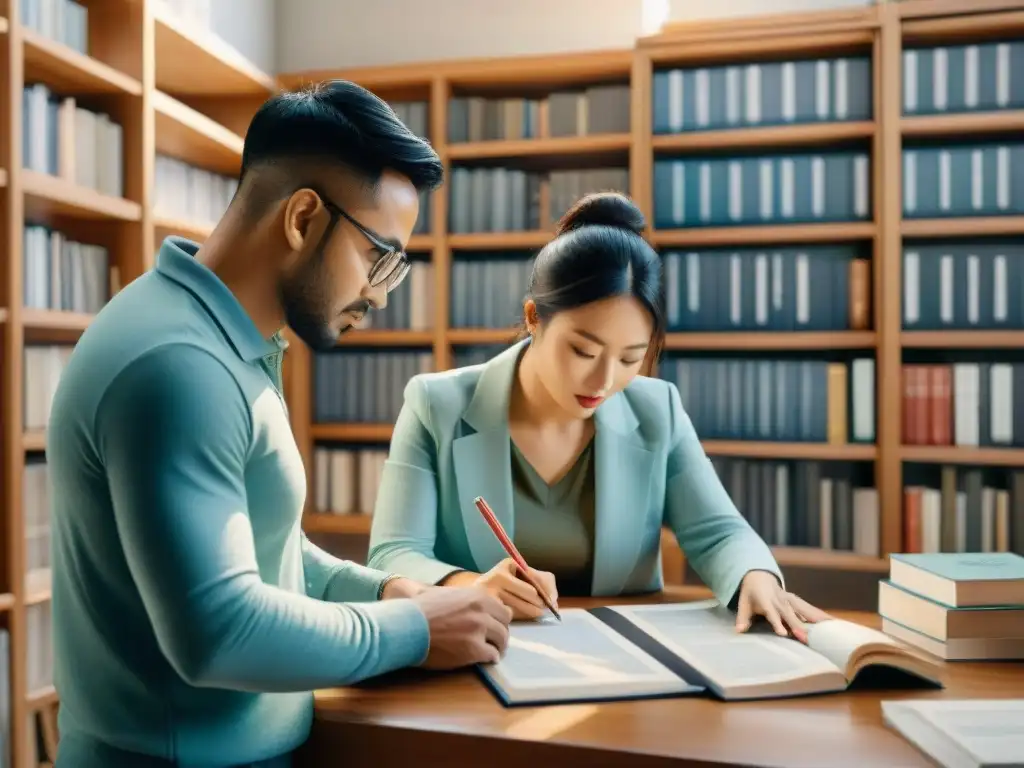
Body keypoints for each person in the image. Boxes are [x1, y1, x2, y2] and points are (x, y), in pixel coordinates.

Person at [46, 80, 512, 768]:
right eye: (378, 257)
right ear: (301, 218)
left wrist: (384, 590)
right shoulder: (180, 368)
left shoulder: (219, 339)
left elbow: (266, 549)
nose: (380, 295)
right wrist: (412, 628)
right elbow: (219, 633)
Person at [368, 191, 830, 638]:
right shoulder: (437, 405)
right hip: (477, 651)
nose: (604, 382)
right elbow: (392, 553)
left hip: (625, 664)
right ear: (534, 318)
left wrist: (755, 576)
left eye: (631, 358)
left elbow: (720, 531)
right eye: (583, 351)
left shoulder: (657, 409)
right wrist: (467, 585)